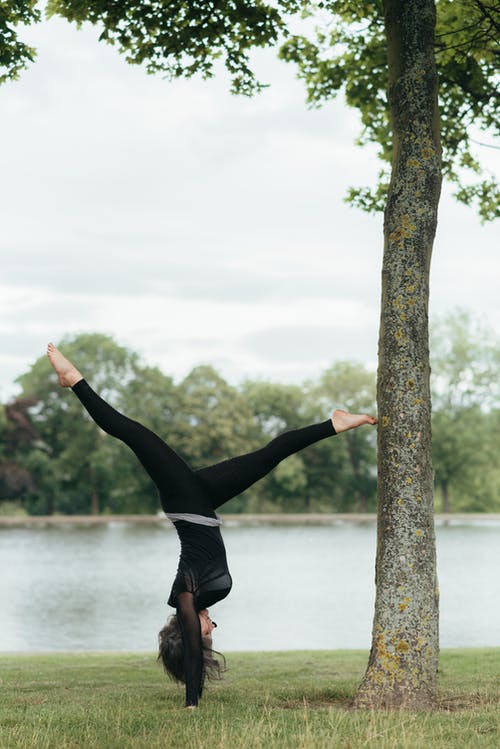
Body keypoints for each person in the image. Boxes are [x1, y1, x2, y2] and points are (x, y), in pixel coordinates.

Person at [47, 342, 377, 708]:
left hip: (184, 503)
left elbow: (191, 652)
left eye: (207, 635)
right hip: (201, 500)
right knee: (269, 455)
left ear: (187, 634)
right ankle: (336, 423)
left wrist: (192, 702)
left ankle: (73, 379)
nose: (211, 629)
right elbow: (193, 651)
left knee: (132, 433)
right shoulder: (202, 596)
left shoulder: (185, 598)